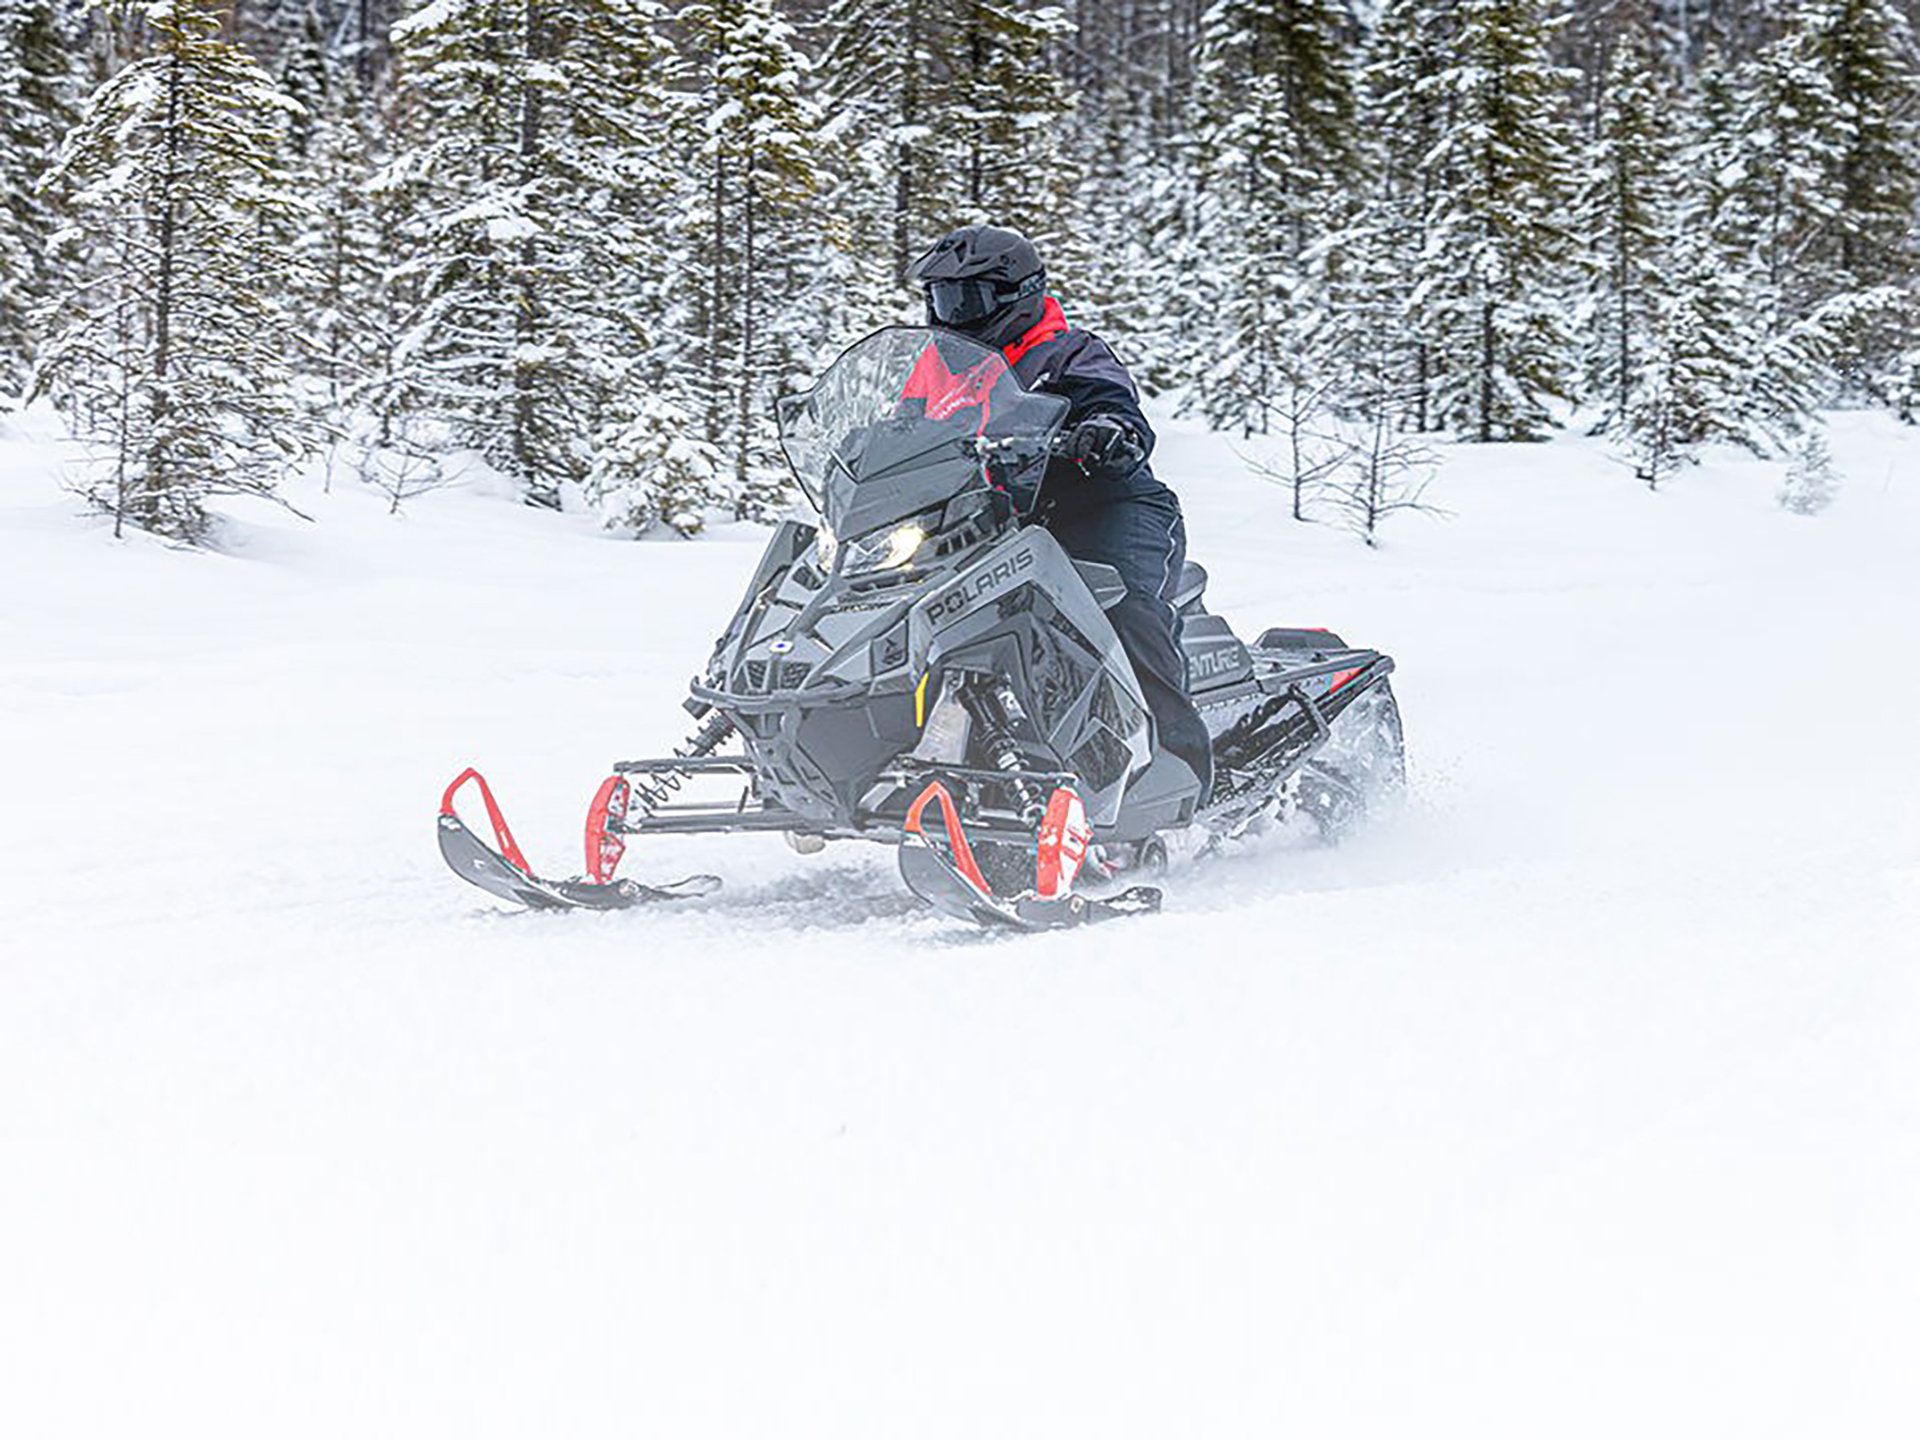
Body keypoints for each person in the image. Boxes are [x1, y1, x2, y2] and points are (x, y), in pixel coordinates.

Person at [905, 224, 1213, 803]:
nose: (949, 314)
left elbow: (1113, 404)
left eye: (964, 299)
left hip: (1100, 507)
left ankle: (1178, 773)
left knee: (1123, 612)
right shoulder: (935, 370)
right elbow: (905, 431)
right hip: (990, 524)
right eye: (940, 298)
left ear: (1015, 295)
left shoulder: (1068, 351)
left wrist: (1104, 431)